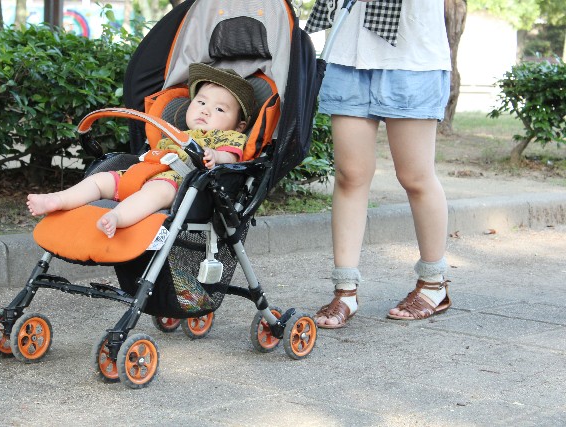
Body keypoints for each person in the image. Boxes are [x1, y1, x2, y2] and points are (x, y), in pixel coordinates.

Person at [306, 0, 452, 327]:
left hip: (412, 56)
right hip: (347, 53)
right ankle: (345, 291)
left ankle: (434, 284)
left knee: (415, 176)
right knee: (350, 175)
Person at [27, 62, 255, 238]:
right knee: (101, 179)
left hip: (177, 183)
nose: (205, 111)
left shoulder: (228, 136)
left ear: (239, 125)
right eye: (201, 102)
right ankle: (57, 199)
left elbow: (231, 157)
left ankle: (117, 217)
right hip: (142, 172)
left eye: (219, 109)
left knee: (155, 192)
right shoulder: (175, 132)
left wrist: (215, 156)